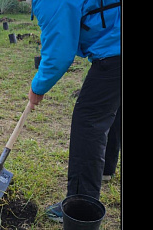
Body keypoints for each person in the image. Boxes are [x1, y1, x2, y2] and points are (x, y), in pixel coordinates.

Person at [18, 0, 121, 223]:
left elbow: (59, 53)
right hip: (116, 42)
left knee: (89, 120)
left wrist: (38, 87)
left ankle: (80, 202)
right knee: (111, 107)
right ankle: (106, 169)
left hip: (115, 50)